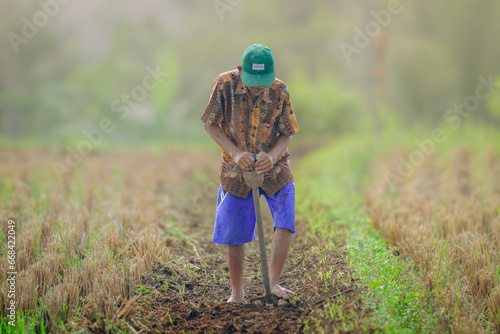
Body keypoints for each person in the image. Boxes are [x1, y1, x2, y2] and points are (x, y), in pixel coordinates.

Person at [201, 44, 299, 303]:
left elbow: (288, 131)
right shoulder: (223, 85)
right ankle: (237, 293)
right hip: (236, 166)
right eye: (253, 82)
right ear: (241, 70)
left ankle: (274, 283)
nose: (258, 88)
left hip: (273, 163)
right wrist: (234, 152)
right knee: (235, 227)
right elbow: (210, 123)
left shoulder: (280, 90)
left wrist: (272, 156)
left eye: (262, 82)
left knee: (285, 214)